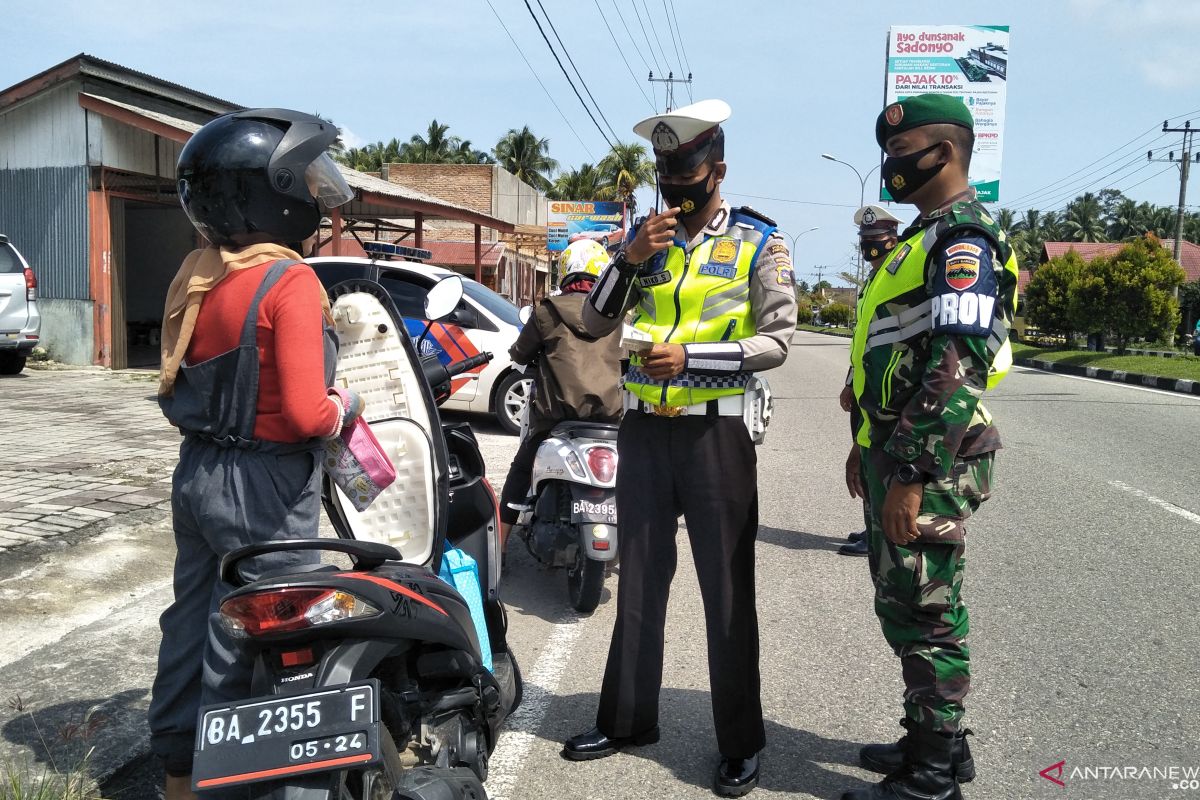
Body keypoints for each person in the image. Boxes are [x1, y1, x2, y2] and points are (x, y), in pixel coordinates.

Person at [562, 99, 798, 797]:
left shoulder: (761, 243)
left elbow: (777, 342)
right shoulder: (643, 239)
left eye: (687, 170)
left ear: (717, 170)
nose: (675, 183)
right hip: (643, 430)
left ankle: (739, 743)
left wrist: (693, 356)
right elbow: (596, 318)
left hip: (714, 435)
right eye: (665, 171)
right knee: (636, 579)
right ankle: (628, 719)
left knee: (726, 592)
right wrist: (630, 258)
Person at [148, 109, 362, 800]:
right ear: (272, 190)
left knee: (190, 623)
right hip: (264, 488)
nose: (315, 190)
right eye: (304, 176)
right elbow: (305, 413)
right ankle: (242, 785)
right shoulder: (290, 283)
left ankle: (179, 774)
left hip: (199, 474)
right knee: (259, 642)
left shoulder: (202, 276)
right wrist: (346, 408)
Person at [840, 94, 1018, 800]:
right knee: (905, 602)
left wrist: (912, 471)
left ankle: (935, 776)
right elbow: (890, 353)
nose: (889, 166)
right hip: (896, 448)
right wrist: (866, 447)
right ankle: (930, 739)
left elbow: (957, 360)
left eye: (899, 152)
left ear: (942, 154)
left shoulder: (962, 238)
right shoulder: (922, 236)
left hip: (930, 460)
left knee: (927, 608)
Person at [498, 239, 624, 552]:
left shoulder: (546, 312)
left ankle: (498, 549)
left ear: (565, 270)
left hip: (555, 418)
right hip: (610, 418)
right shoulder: (620, 313)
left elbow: (520, 355)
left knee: (521, 470)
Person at [838, 204, 902, 558]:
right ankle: (870, 526)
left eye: (876, 238)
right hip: (864, 390)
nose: (869, 245)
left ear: (893, 239)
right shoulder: (869, 285)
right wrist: (850, 382)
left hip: (885, 391)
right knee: (864, 460)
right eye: (864, 239)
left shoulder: (895, 279)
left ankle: (877, 532)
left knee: (875, 460)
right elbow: (861, 343)